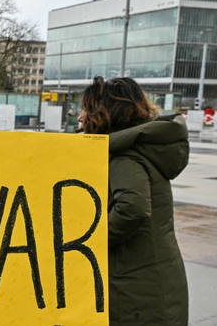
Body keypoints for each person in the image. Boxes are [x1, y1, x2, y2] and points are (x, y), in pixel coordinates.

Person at [77, 76, 188, 325]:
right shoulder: (138, 148)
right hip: (151, 284)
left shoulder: (123, 156)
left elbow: (133, 210)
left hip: (136, 294)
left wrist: (85, 242)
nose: (80, 117)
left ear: (105, 112)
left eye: (86, 108)